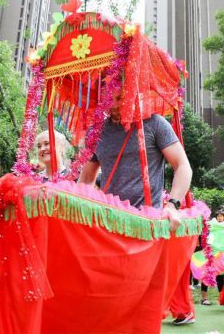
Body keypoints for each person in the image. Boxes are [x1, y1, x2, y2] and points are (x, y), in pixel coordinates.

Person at [79, 112, 193, 324]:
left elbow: (183, 166)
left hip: (146, 230)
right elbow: (85, 180)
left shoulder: (155, 123)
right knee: (108, 304)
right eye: (110, 91)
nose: (116, 99)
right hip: (109, 230)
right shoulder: (97, 131)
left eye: (123, 87)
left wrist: (172, 204)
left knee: (143, 308)